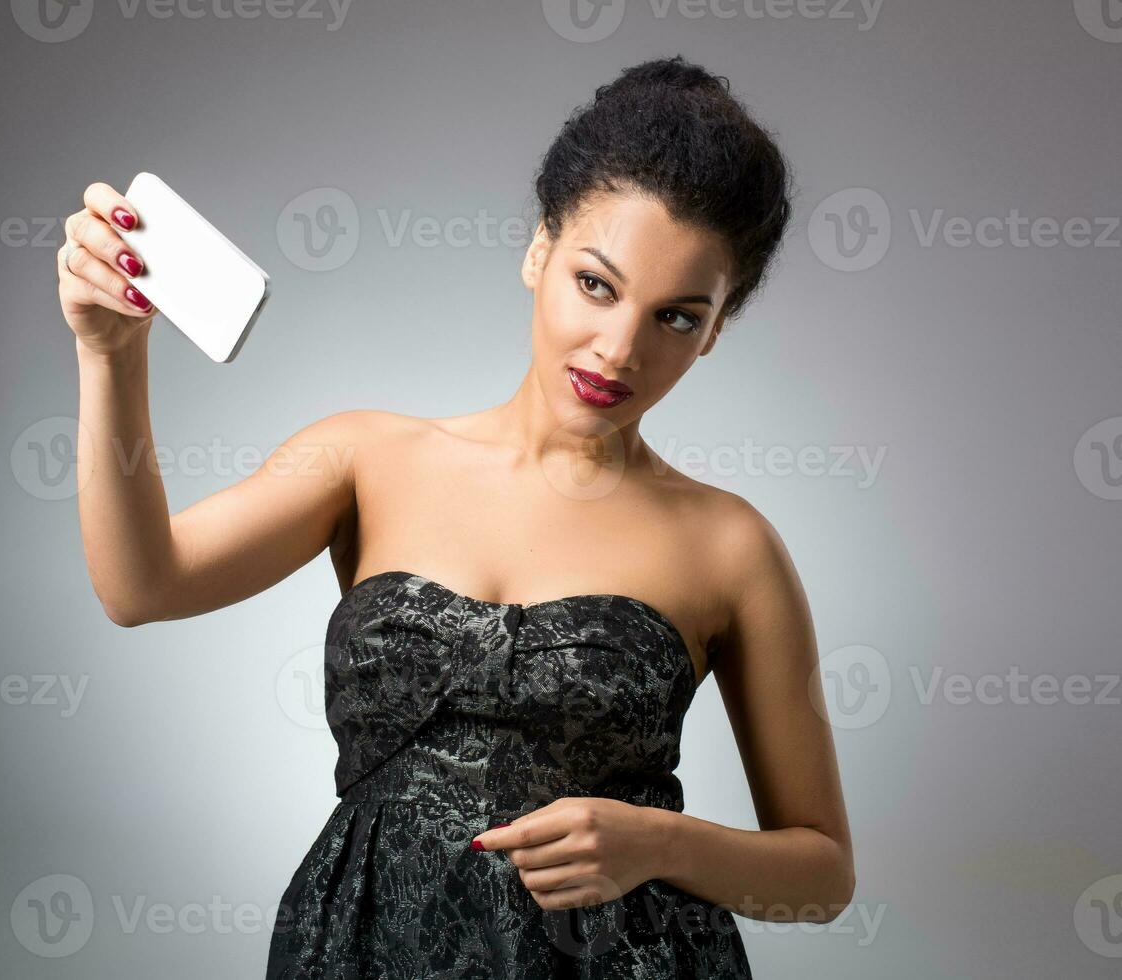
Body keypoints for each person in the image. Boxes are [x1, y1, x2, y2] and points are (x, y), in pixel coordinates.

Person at [55, 54, 854, 979]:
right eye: (596, 283)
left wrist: (657, 844)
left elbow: (822, 871)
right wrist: (110, 355)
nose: (619, 346)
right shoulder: (366, 456)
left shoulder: (731, 546)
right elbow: (139, 585)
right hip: (359, 952)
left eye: (676, 317)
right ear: (539, 252)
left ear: (716, 331)